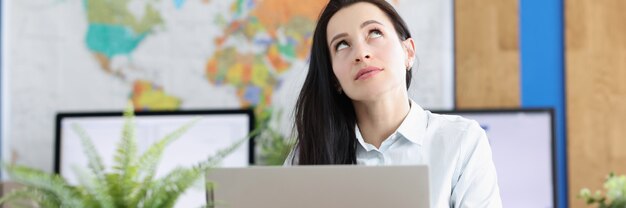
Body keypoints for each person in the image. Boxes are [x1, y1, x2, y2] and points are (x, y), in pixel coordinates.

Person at [284, 0, 502, 207]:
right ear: (334, 79)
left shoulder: (461, 141)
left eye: (374, 33)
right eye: (342, 45)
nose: (361, 53)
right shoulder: (306, 157)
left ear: (408, 52)